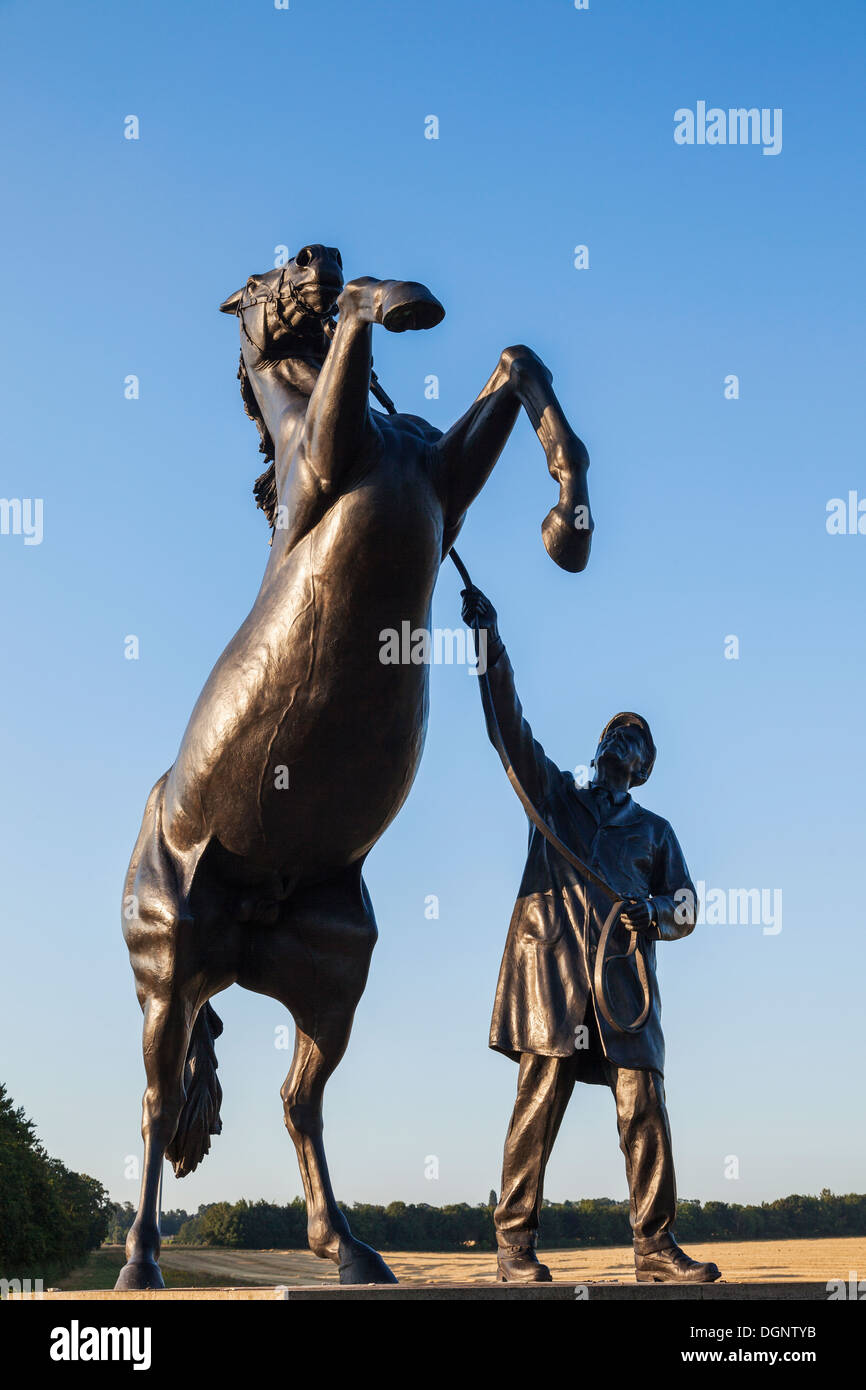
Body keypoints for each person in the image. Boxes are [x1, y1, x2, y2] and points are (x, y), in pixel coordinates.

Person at [461, 584, 721, 1285]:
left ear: (643, 767)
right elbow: (508, 731)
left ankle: (655, 1247)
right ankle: (513, 1246)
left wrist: (656, 916)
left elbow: (689, 907)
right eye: (614, 731)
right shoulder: (555, 797)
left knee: (645, 1111)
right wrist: (489, 648)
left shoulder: (653, 832)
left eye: (634, 738)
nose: (620, 739)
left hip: (623, 993)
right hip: (552, 985)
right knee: (536, 1109)